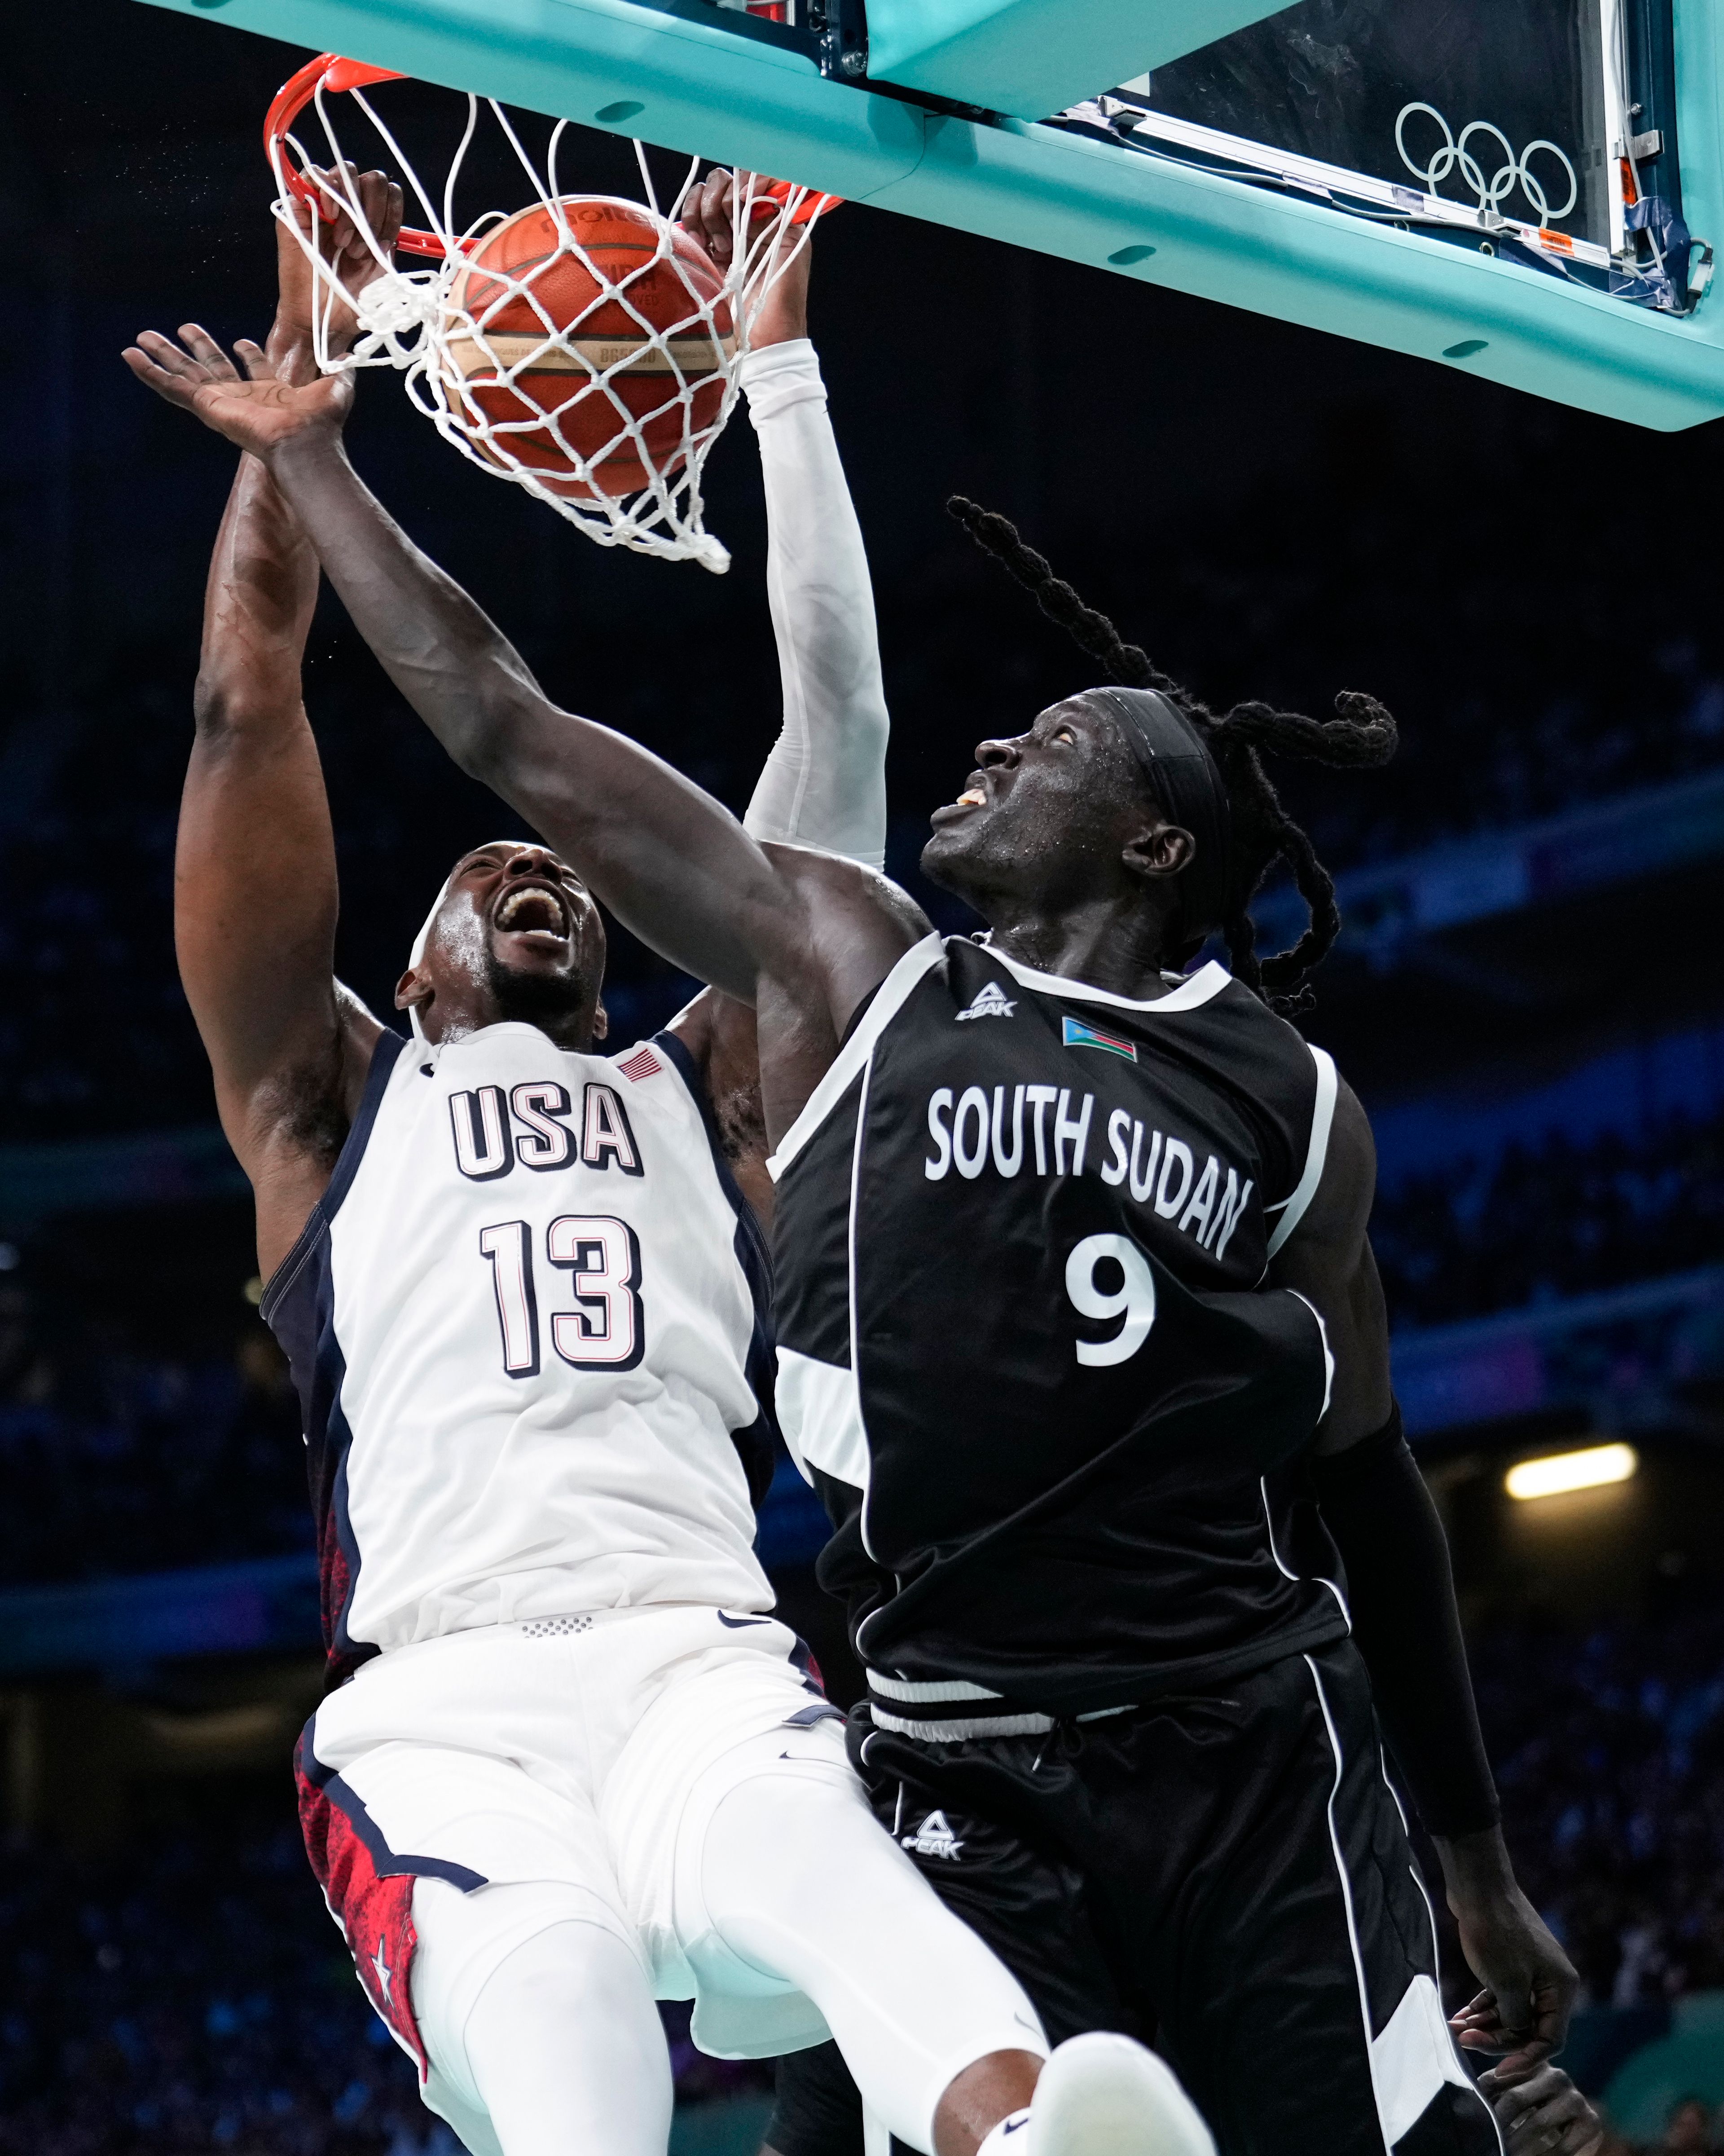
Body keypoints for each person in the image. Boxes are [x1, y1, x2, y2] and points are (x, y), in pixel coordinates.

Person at [123, 196, 1577, 2155]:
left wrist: (777, 385)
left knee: (880, 1928)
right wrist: (298, 454)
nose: (531, 877)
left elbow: (838, 728)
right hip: (474, 1696)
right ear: (403, 974)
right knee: (577, 2074)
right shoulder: (328, 1107)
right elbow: (262, 713)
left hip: (725, 1661)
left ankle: (1038, 2135)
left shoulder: (739, 1067)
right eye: (484, 881)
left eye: (551, 879)